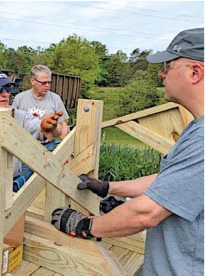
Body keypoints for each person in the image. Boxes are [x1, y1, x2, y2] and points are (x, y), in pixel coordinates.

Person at [51, 28, 204, 276]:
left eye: (167, 66)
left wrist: (86, 226)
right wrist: (110, 188)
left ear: (195, 72)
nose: (160, 73)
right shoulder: (197, 129)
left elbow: (147, 213)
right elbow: (171, 183)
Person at [12, 64, 69, 139]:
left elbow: (63, 125)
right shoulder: (19, 98)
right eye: (44, 83)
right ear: (32, 81)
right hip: (24, 143)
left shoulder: (55, 98)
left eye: (49, 82)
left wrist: (61, 145)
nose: (47, 85)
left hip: (47, 145)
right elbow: (11, 123)